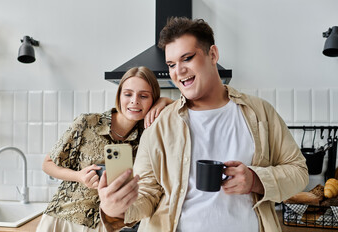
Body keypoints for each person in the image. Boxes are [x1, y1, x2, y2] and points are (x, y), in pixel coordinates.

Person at [97, 17, 309, 232]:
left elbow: (299, 172)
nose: (178, 71)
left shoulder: (260, 113)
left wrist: (255, 180)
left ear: (213, 54)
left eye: (187, 58)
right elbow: (147, 192)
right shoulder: (160, 123)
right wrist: (117, 209)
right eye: (171, 64)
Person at [35, 66, 173, 232]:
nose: (134, 101)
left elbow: (183, 109)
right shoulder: (87, 123)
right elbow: (47, 164)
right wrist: (79, 176)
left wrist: (165, 101)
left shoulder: (148, 137)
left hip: (105, 226)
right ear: (119, 95)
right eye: (128, 94)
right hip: (65, 218)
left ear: (153, 100)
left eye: (143, 96)